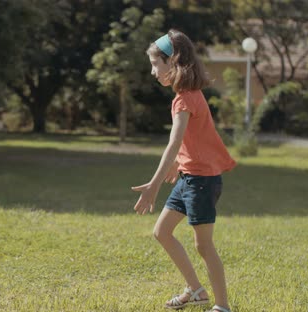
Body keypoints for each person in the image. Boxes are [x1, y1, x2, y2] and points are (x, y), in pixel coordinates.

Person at [131, 29, 236, 312]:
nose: (153, 72)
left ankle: (222, 306)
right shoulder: (190, 94)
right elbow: (195, 138)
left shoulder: (185, 99)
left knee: (204, 246)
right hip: (190, 177)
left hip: (201, 182)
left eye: (156, 64)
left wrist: (153, 186)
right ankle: (196, 289)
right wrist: (179, 163)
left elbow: (174, 140)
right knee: (162, 231)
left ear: (173, 62)